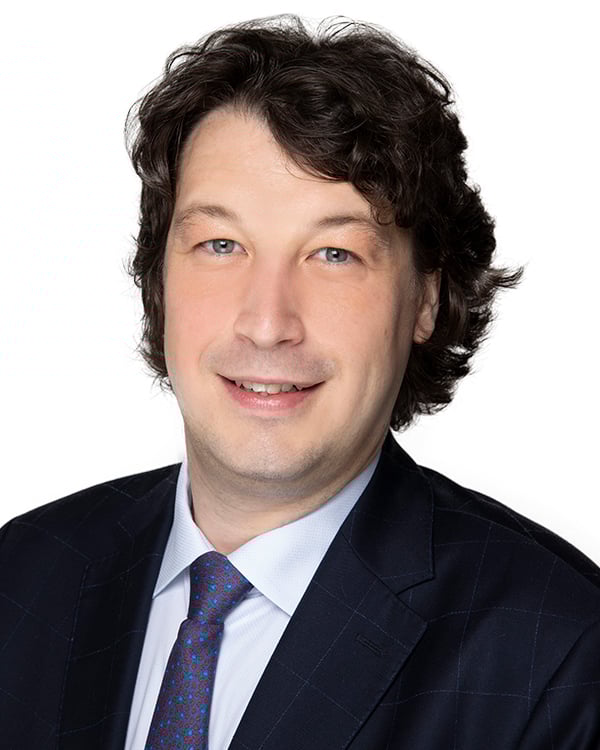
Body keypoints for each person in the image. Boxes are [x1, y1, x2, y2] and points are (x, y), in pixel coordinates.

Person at [0, 15, 598, 750]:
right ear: (159, 281)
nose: (267, 322)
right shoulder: (22, 576)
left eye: (334, 254)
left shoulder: (559, 657)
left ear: (426, 299)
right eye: (221, 244)